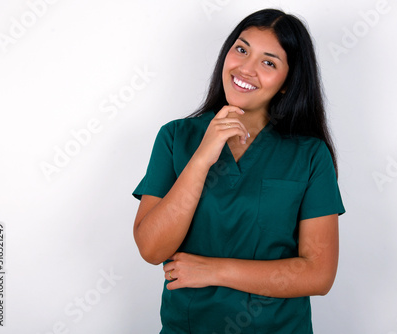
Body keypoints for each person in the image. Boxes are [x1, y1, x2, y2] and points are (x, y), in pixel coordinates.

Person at [132, 8, 345, 333]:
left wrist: (214, 271)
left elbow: (319, 274)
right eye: (242, 49)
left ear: (288, 82)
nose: (246, 68)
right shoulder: (176, 137)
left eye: (269, 62)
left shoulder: (310, 155)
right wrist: (203, 157)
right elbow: (152, 249)